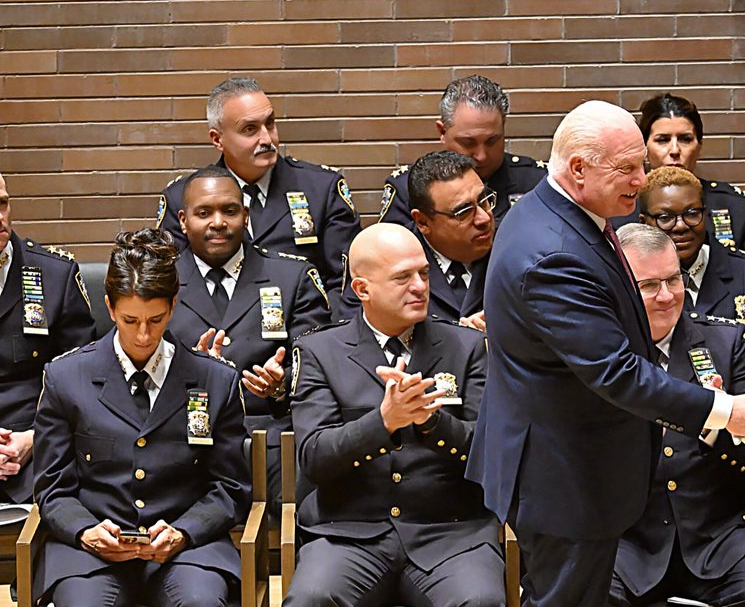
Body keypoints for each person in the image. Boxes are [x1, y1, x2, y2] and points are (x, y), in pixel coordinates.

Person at [465, 100, 745, 607]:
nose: (643, 179)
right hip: (563, 475)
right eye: (628, 168)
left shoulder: (563, 215)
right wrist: (724, 412)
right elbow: (618, 373)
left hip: (568, 464)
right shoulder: (552, 250)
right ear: (579, 168)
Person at [283, 223, 507, 607]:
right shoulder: (320, 352)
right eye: (404, 277)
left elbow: (491, 454)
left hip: (450, 530)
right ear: (362, 288)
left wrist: (431, 423)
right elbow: (314, 458)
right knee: (309, 606)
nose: (422, 286)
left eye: (424, 273)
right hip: (350, 529)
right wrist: (383, 422)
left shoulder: (467, 348)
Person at [33, 228, 251, 607]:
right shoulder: (67, 376)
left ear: (173, 306)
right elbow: (50, 485)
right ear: (109, 309)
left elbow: (231, 487)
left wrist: (186, 531)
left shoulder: (214, 378)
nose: (143, 335)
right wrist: (86, 532)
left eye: (155, 319)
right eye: (130, 320)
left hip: (182, 543)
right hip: (95, 543)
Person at [591, 224, 745, 607]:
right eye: (649, 285)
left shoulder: (727, 345)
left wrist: (715, 428)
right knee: (582, 601)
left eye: (674, 279)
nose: (666, 296)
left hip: (720, 529)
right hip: (627, 535)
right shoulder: (599, 356)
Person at [168, 166, 331, 519]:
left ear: (245, 214)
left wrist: (281, 383)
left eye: (229, 211)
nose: (217, 222)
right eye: (203, 213)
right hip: (182, 437)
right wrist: (190, 373)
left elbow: (319, 365)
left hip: (270, 436)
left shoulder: (293, 277)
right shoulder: (160, 284)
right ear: (183, 220)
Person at [157, 77, 362, 319]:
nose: (267, 139)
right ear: (217, 139)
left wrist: (323, 343)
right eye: (250, 129)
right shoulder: (182, 197)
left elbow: (347, 281)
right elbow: (172, 281)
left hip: (305, 330)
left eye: (270, 124)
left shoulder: (321, 189)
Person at [638, 165, 745, 395]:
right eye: (665, 217)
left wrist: (723, 406)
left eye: (692, 213)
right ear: (644, 221)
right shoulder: (628, 278)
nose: (681, 226)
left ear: (705, 214)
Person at [0, 172, 96, 505]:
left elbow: (85, 381)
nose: (0, 218)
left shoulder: (54, 275)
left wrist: (34, 438)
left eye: (2, 204)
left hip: (39, 445)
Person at [613, 93, 745, 261]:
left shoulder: (735, 205)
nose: (674, 150)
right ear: (644, 149)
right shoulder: (619, 208)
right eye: (663, 140)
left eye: (685, 139)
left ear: (699, 145)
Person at [378, 75, 546, 231]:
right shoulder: (407, 188)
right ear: (442, 131)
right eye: (468, 142)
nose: (481, 156)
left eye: (492, 141)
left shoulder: (537, 181)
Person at [408, 150, 494, 331]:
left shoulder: (515, 247)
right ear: (423, 222)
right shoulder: (394, 263)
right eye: (463, 212)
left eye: (484, 200)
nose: (484, 219)